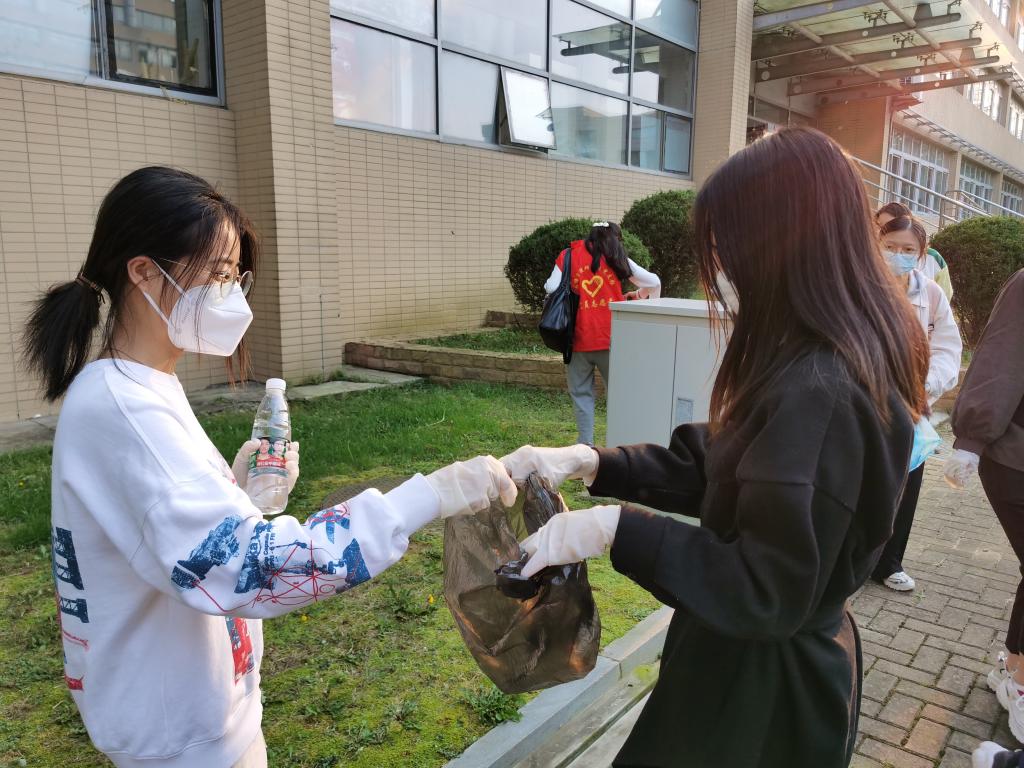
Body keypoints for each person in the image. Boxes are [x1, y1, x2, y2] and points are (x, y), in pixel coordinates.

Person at [24, 167, 516, 768]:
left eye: (236, 276)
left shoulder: (144, 386)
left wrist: (238, 496)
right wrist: (431, 495)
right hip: (180, 738)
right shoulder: (121, 406)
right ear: (144, 271)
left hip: (198, 712)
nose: (231, 294)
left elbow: (161, 532)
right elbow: (254, 570)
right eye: (217, 274)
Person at [503, 128, 928, 767]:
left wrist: (617, 529)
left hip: (761, 695)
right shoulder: (817, 356)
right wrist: (594, 463)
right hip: (736, 657)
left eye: (730, 247)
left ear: (782, 243)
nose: (725, 269)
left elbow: (765, 586)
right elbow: (732, 464)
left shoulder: (826, 388)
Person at [944, 267, 1024, 741]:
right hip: (1015, 456)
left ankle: (1012, 667)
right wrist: (970, 440)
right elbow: (1002, 357)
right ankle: (1019, 681)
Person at [870, 214, 962, 592]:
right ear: (877, 245)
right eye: (891, 247)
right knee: (863, 479)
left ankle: (889, 563)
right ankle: (853, 560)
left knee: (906, 481)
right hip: (866, 398)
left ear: (922, 254)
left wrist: (925, 386)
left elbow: (948, 348)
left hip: (912, 403)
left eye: (908, 249)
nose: (898, 255)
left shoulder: (931, 294)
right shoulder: (863, 286)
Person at [543, 221, 660, 446]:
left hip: (576, 340)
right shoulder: (615, 255)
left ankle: (585, 447)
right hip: (611, 339)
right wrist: (639, 295)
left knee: (581, 396)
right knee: (618, 396)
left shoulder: (568, 255)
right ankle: (618, 445)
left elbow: (551, 287)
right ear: (614, 238)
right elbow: (653, 282)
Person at [876, 201, 953, 299]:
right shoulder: (869, 256)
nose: (882, 231)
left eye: (892, 225)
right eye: (879, 226)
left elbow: (945, 297)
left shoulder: (934, 259)